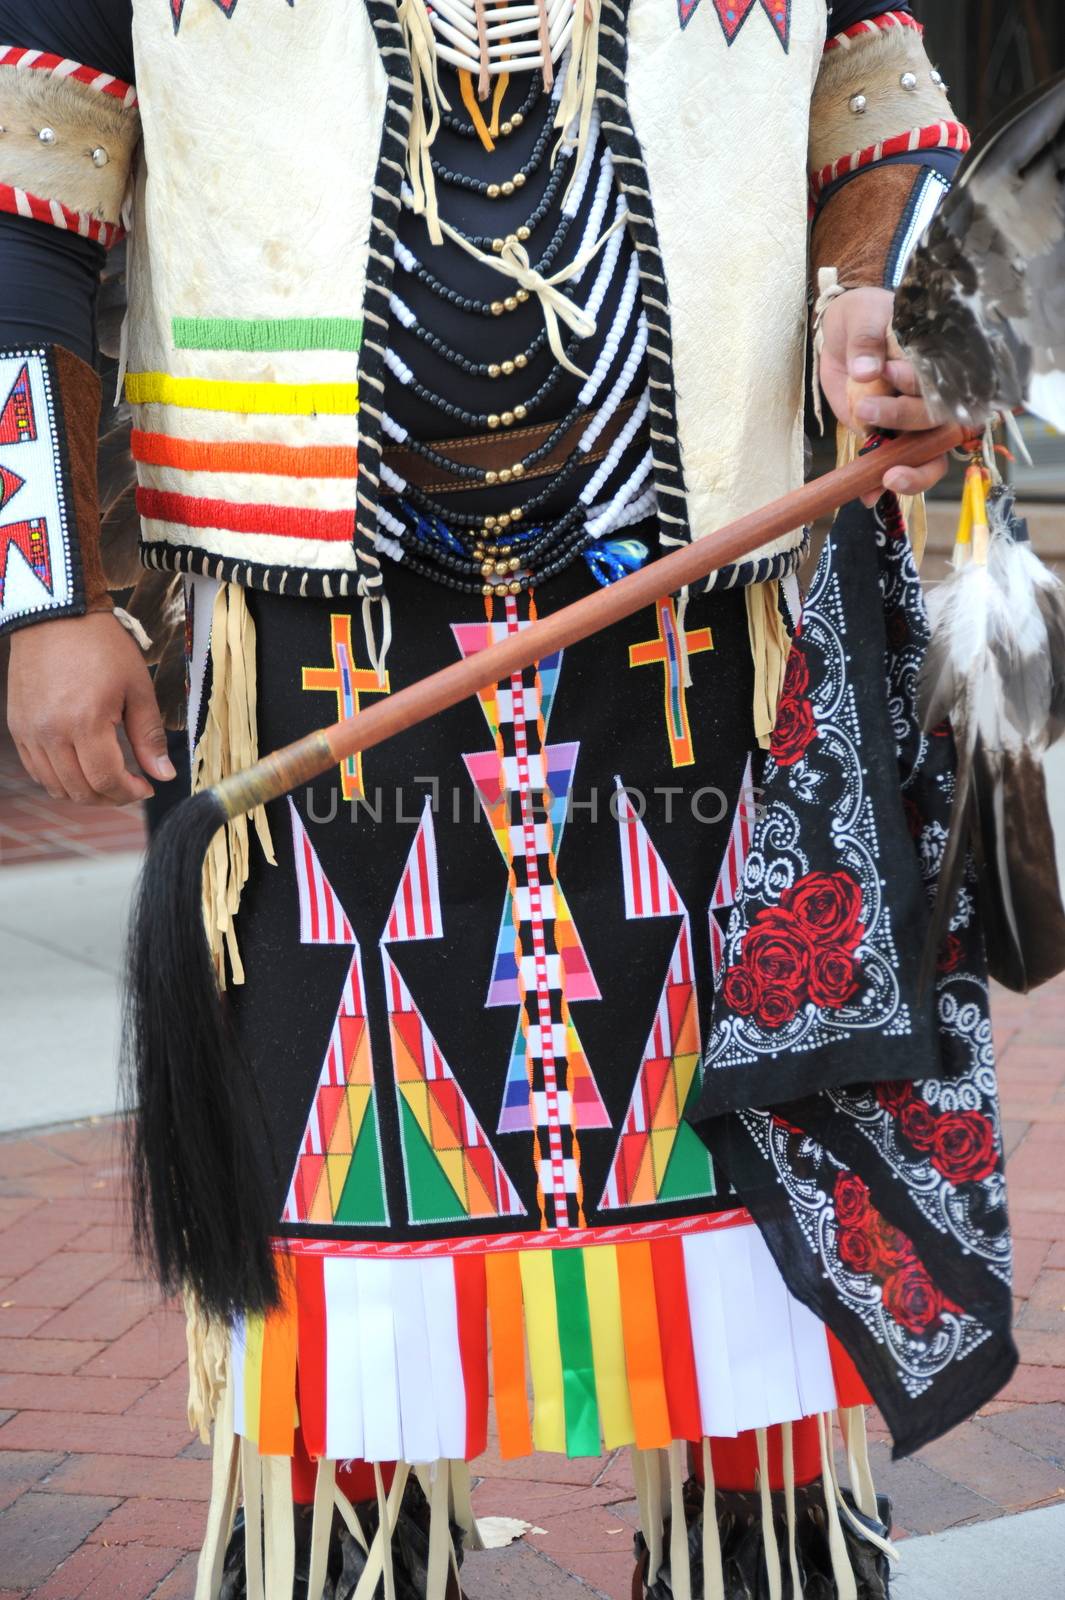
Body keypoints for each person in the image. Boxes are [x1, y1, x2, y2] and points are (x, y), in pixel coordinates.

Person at [0, 3, 1016, 1597]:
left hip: (701, 678)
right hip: (317, 694)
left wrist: (878, 297)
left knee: (747, 1249)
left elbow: (888, 136)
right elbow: (19, 223)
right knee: (337, 1272)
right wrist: (43, 597)